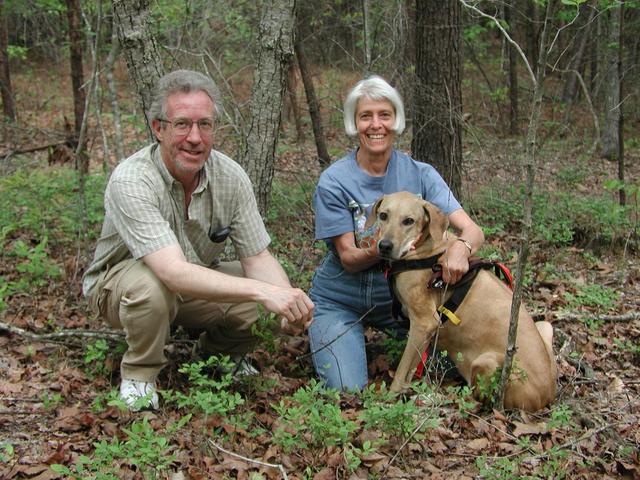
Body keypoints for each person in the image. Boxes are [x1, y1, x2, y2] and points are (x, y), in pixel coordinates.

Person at [83, 69, 314, 410]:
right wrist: (263, 291)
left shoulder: (230, 177)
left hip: (188, 283)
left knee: (266, 294)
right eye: (182, 124)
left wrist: (287, 303)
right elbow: (173, 272)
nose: (195, 137)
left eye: (204, 125)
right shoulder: (132, 179)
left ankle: (217, 357)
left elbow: (258, 258)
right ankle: (139, 377)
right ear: (158, 129)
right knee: (152, 286)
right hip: (119, 286)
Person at [309, 75, 484, 391]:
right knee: (347, 389)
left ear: (396, 121)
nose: (376, 125)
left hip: (404, 304)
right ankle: (338, 338)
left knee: (464, 362)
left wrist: (461, 247)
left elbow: (472, 229)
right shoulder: (334, 181)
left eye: (384, 115)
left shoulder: (421, 174)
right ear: (355, 123)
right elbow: (349, 258)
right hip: (342, 297)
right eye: (366, 116)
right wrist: (392, 242)